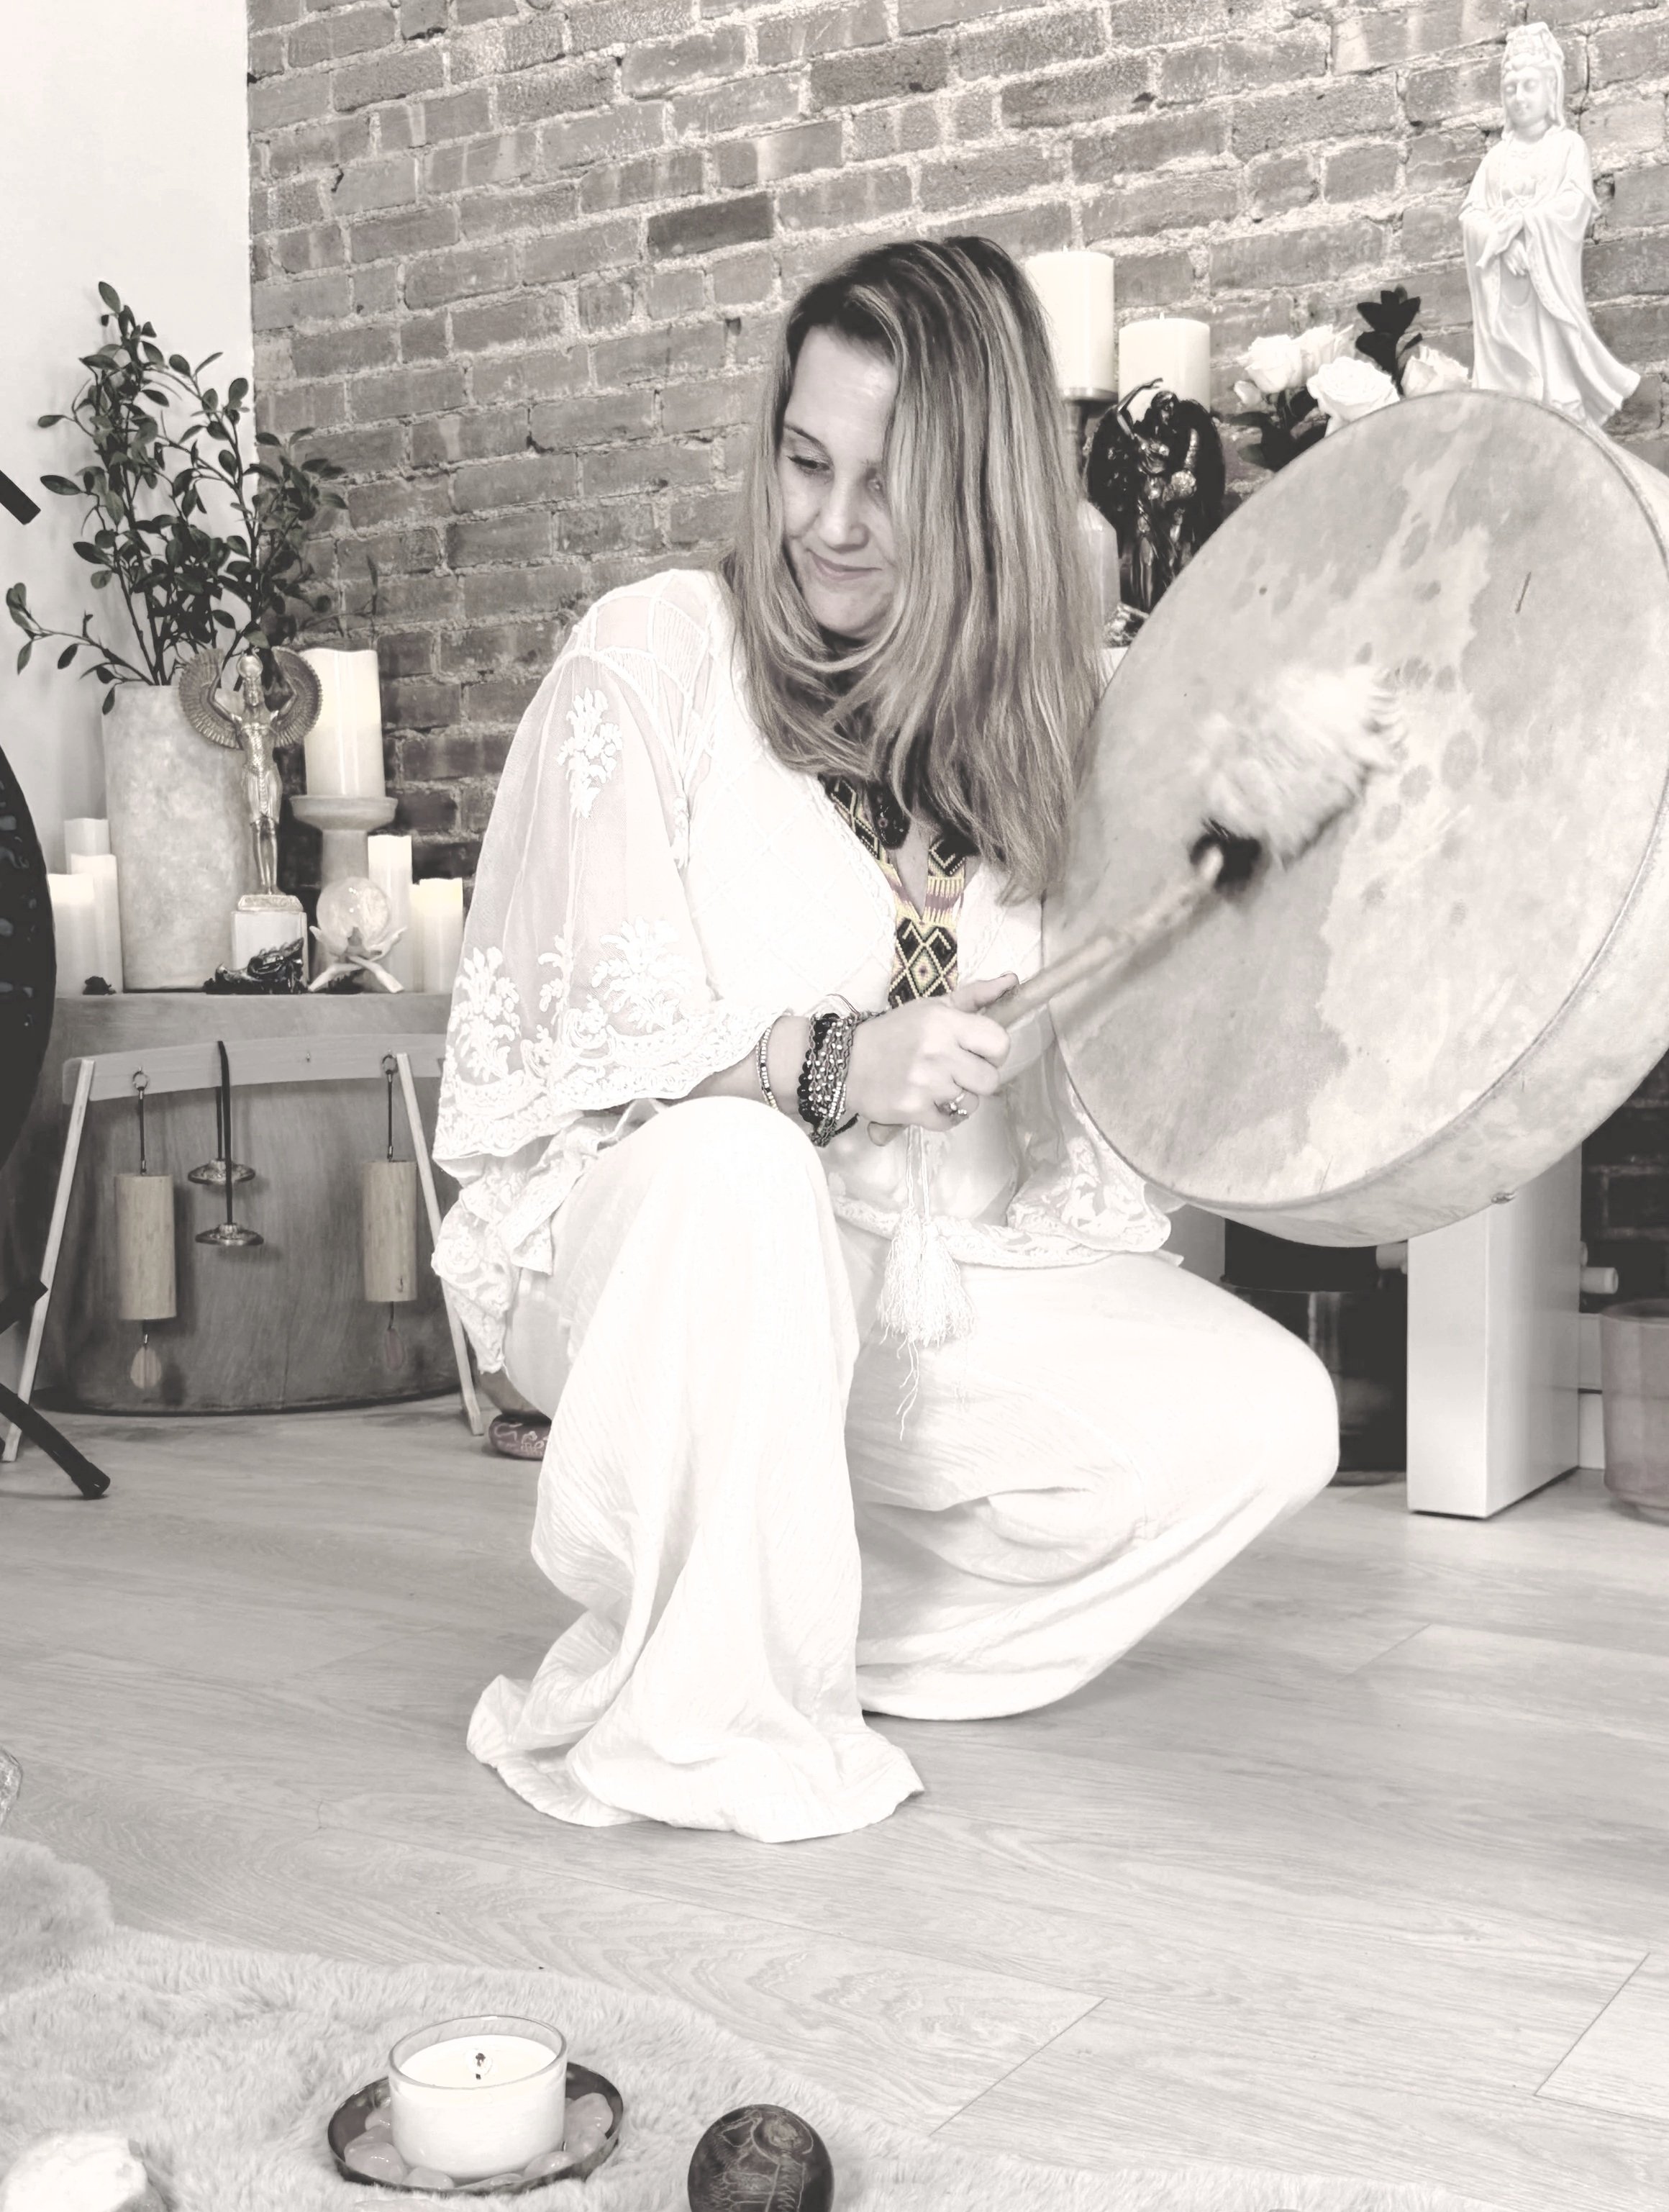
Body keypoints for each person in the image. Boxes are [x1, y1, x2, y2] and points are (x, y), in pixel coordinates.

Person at [432, 237, 1338, 1844]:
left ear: (982, 502)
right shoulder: (656, 655)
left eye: (889, 485)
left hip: (915, 1279)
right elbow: (577, 1062)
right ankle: (714, 1704)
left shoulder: (1042, 728)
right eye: (806, 461)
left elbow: (1151, 1028)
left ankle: (810, 1618)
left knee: (1270, 1419)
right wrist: (838, 1062)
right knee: (737, 1171)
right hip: (666, 1265)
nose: (831, 524)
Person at [1460, 21, 1638, 429]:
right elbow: (1471, 215)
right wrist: (1503, 245)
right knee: (1511, 402)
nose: (1519, 97)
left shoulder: (1568, 147)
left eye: (1529, 86)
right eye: (1510, 89)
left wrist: (1525, 224)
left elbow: (1574, 206)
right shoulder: (1495, 160)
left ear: (1551, 88)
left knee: (1556, 390)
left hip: (1547, 285)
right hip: (1507, 291)